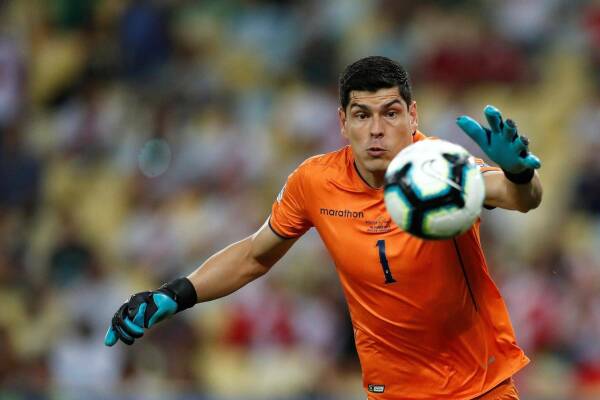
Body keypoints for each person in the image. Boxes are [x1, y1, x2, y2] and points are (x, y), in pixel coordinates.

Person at [105, 56, 543, 400]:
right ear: (342, 122)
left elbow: (518, 198)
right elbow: (256, 256)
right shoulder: (314, 182)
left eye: (390, 114)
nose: (376, 131)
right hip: (392, 394)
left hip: (479, 389)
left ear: (413, 116)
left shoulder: (441, 167)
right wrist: (174, 294)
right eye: (361, 115)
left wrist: (520, 174)